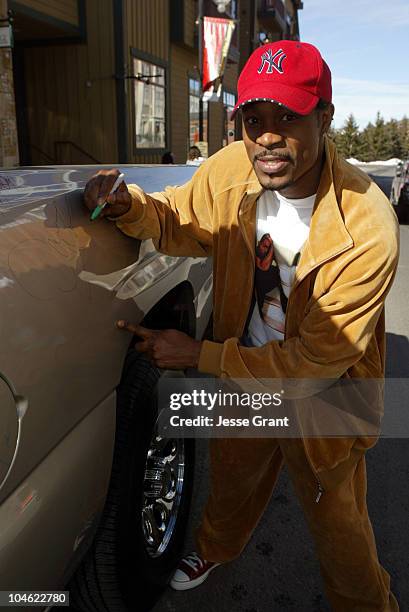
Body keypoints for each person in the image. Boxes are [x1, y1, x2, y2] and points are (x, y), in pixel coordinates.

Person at [83, 40, 399, 611]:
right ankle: (215, 547)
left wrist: (198, 355)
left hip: (324, 403)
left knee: (341, 529)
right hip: (247, 377)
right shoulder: (234, 166)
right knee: (232, 476)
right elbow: (178, 216)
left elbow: (312, 366)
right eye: (254, 120)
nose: (268, 136)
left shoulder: (368, 225)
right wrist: (126, 204)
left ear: (325, 118)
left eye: (289, 117)